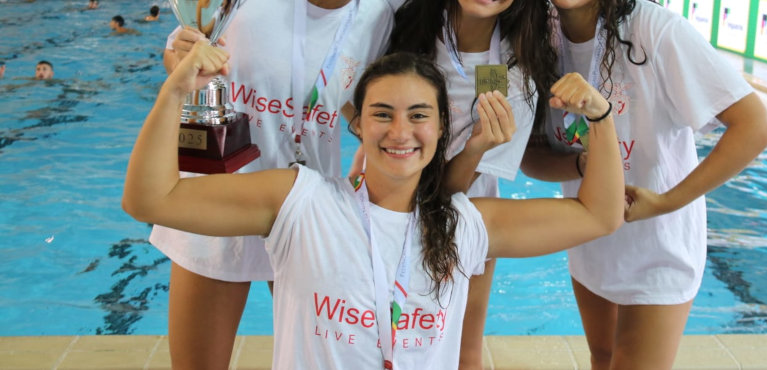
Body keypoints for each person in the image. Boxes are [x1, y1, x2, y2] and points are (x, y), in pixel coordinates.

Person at [124, 45, 624, 368]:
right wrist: (174, 93)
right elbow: (151, 199)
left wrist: (599, 118)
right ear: (358, 124)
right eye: (382, 114)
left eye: (418, 116)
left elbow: (599, 215)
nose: (400, 132)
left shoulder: (464, 225)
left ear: (440, 130)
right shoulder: (300, 202)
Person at [154, 0, 420, 370]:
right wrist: (186, 65)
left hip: (305, 209)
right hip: (219, 193)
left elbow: (345, 101)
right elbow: (184, 50)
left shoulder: (376, 18)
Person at [520, 0, 767, 370]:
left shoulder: (653, 31)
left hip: (658, 240)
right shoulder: (536, 36)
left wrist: (667, 202)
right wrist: (586, 166)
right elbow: (528, 157)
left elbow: (756, 127)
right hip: (590, 232)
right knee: (602, 357)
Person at [385, 0, 558, 369]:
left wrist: (478, 146)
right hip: (379, 202)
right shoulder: (407, 3)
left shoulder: (514, 75)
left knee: (463, 350)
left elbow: (456, 188)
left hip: (464, 215)